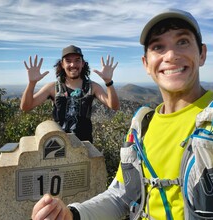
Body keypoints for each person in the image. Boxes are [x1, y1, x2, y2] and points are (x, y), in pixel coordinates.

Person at [31, 9, 213, 220]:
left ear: (202, 54)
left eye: (182, 42)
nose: (171, 55)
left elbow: (113, 104)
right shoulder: (142, 126)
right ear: (146, 63)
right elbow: (121, 197)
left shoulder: (92, 87)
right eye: (158, 47)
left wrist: (108, 83)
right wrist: (71, 215)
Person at [20, 45, 120, 143]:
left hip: (85, 145)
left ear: (83, 64)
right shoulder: (53, 88)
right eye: (68, 61)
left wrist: (108, 82)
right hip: (59, 145)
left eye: (77, 60)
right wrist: (31, 83)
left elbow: (114, 106)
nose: (73, 65)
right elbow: (26, 107)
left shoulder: (92, 87)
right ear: (62, 64)